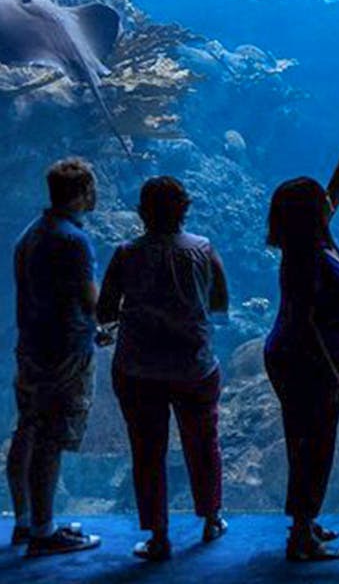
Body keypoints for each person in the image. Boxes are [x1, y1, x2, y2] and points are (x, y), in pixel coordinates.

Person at [97, 176, 230, 561]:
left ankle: (158, 534)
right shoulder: (204, 249)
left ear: (141, 213)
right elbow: (220, 302)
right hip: (195, 366)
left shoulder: (125, 253)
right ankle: (211, 517)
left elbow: (105, 309)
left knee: (147, 450)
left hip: (138, 369)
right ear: (185, 209)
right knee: (203, 443)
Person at [264, 116, 339, 562]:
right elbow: (302, 320)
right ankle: (300, 537)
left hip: (324, 357)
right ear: (311, 211)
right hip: (307, 359)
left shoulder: (318, 239)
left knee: (315, 441)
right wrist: (327, 370)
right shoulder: (303, 256)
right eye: (321, 200)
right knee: (310, 442)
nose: (329, 201)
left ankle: (305, 522)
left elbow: (337, 192)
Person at [7, 158, 103, 557]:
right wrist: (107, 317)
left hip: (31, 347)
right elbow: (87, 298)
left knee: (27, 429)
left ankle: (25, 521)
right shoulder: (73, 240)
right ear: (82, 193)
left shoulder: (29, 234)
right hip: (64, 354)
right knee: (50, 438)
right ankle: (46, 532)